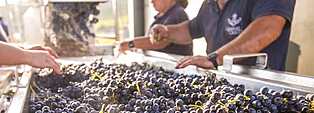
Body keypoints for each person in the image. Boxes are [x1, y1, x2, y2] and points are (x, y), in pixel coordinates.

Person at [150, 0, 296, 71]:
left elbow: (268, 28)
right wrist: (166, 32)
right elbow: (191, 29)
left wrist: (215, 58)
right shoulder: (210, 3)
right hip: (221, 83)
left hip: (258, 88)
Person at [119, 0, 192, 56]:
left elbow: (160, 42)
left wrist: (131, 44)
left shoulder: (177, 15)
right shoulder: (161, 15)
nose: (151, 1)